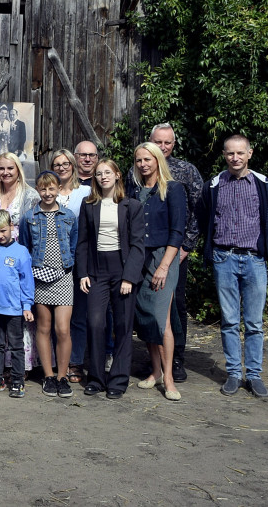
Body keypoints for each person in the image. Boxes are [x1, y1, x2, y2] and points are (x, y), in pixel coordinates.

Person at [196, 135, 268, 398]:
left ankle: (254, 375)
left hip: (254, 259)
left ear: (250, 154)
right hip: (224, 258)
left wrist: (264, 247)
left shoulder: (262, 184)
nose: (235, 158)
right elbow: (203, 216)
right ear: (224, 155)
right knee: (230, 321)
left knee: (254, 322)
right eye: (230, 153)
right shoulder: (215, 185)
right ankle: (233, 373)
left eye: (240, 153)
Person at [77, 158, 144, 399]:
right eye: (98, 173)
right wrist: (83, 272)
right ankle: (96, 378)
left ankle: (118, 379)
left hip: (122, 271)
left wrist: (129, 277)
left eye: (107, 172)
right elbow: (83, 242)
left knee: (123, 326)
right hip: (97, 271)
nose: (103, 176)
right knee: (95, 323)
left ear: (117, 175)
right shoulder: (89, 205)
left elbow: (137, 245)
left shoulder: (132, 206)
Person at [128, 142, 186, 401]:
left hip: (164, 257)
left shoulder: (173, 189)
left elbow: (177, 231)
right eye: (139, 160)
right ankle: (155, 372)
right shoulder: (135, 190)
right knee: (146, 318)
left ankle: (170, 378)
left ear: (158, 160)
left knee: (161, 319)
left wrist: (164, 266)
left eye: (147, 159)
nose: (143, 164)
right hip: (139, 257)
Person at [150, 122, 204, 382]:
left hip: (176, 251)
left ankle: (177, 359)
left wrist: (186, 247)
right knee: (148, 304)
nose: (163, 147)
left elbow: (199, 211)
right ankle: (154, 363)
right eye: (158, 142)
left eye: (167, 142)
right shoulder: (139, 167)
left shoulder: (186, 171)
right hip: (147, 251)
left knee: (175, 305)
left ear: (174, 144)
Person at [19, 171, 78, 399]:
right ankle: (49, 376)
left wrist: (67, 268)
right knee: (43, 328)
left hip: (63, 276)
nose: (47, 193)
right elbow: (25, 247)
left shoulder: (69, 216)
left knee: (62, 329)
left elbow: (73, 245)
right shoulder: (29, 216)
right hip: (40, 277)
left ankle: (63, 377)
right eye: (43, 189)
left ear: (58, 189)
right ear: (38, 191)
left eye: (51, 188)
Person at [50, 147, 93, 383]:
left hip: (78, 261)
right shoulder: (46, 192)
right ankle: (55, 362)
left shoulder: (85, 192)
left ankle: (75, 362)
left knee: (77, 315)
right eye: (57, 164)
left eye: (66, 163)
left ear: (73, 166)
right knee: (53, 315)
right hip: (51, 262)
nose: (62, 168)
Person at [0, 210, 34, 398]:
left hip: (13, 309)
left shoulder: (21, 252)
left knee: (16, 346)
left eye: (3, 230)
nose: (0, 235)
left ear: (11, 227)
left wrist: (27, 305)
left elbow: (27, 281)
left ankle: (18, 381)